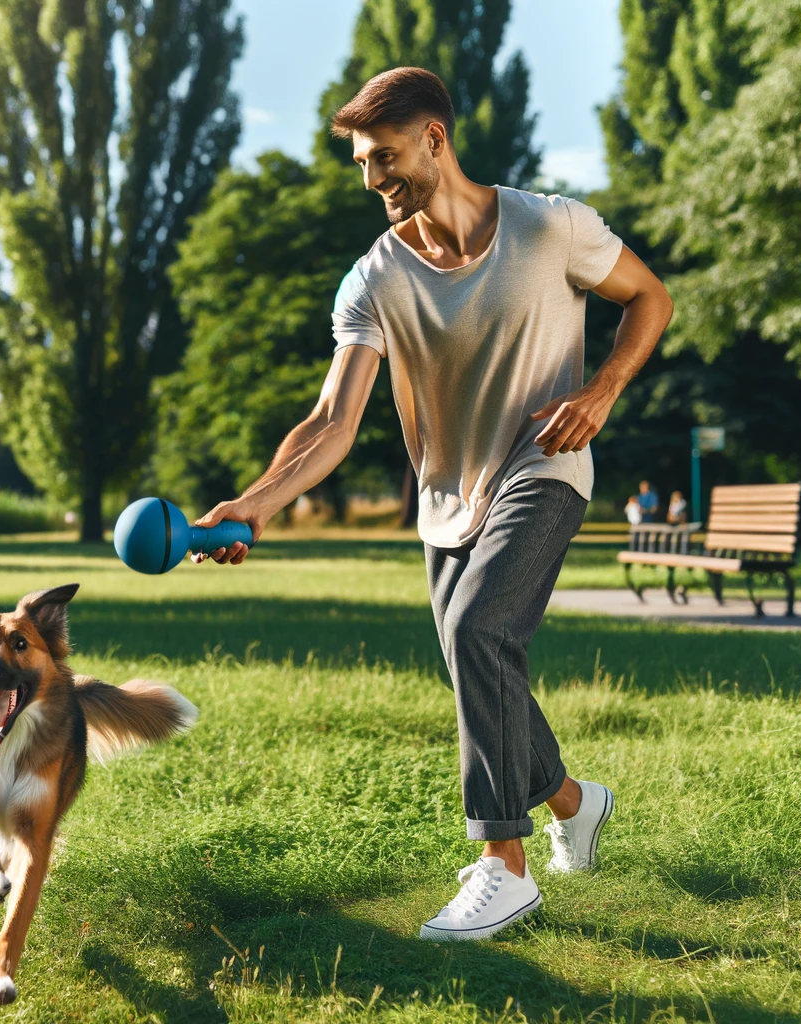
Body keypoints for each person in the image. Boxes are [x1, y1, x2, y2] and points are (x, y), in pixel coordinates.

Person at [190, 68, 673, 941]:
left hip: (545, 465)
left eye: (383, 157)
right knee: (477, 665)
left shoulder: (550, 226)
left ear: (434, 140)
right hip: (448, 495)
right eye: (361, 163)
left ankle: (504, 867)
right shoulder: (375, 279)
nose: (371, 178)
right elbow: (331, 422)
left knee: (478, 633)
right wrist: (255, 504)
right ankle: (575, 802)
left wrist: (600, 392)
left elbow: (650, 296)